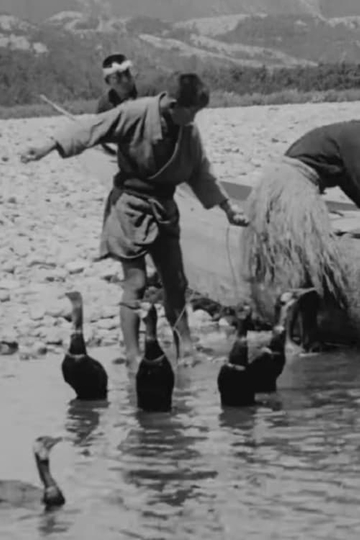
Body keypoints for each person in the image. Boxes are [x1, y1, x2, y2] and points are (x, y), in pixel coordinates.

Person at [20, 72, 249, 367]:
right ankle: (132, 354)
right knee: (136, 282)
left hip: (165, 208)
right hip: (130, 207)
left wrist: (228, 208)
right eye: (191, 112)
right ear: (174, 103)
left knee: (176, 281)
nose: (194, 120)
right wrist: (48, 146)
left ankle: (186, 348)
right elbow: (93, 127)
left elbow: (200, 172)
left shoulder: (188, 129)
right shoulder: (136, 112)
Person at [242, 119, 360, 325]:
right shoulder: (356, 137)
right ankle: (297, 332)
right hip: (293, 189)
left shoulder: (346, 134)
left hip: (281, 181)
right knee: (311, 261)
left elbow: (347, 181)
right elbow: (356, 180)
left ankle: (300, 333)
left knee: (303, 261)